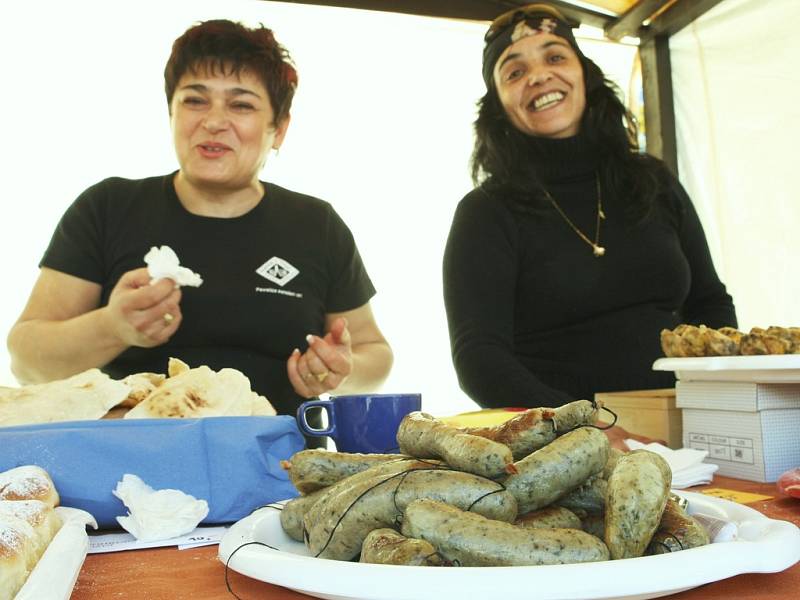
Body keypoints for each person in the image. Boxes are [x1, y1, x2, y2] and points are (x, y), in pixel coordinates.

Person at [7, 19, 393, 417]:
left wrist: (338, 373)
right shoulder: (107, 207)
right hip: (126, 461)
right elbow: (27, 362)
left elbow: (373, 354)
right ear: (171, 112)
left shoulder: (316, 224)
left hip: (280, 466)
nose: (213, 121)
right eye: (195, 100)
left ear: (278, 129)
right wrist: (113, 327)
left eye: (241, 104)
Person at [443, 3, 736, 410]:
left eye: (555, 56)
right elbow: (479, 358)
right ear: (498, 105)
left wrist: (719, 399)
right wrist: (582, 427)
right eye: (514, 71)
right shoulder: (486, 212)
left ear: (585, 74)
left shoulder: (653, 180)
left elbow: (710, 302)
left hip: (688, 423)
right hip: (565, 449)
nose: (539, 75)